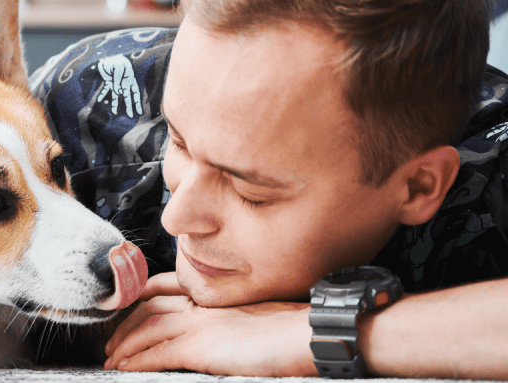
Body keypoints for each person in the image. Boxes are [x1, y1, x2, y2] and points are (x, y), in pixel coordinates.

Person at [29, 0, 508, 378]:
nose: (176, 218)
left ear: (418, 187)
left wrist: (309, 333)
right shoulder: (82, 111)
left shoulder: (492, 169)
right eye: (177, 141)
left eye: (251, 192)